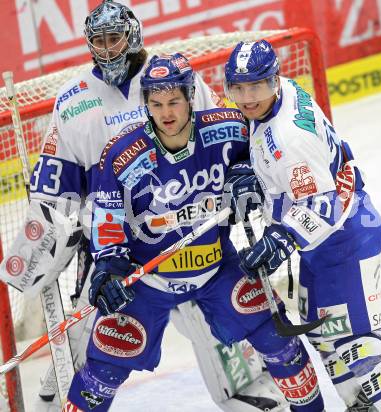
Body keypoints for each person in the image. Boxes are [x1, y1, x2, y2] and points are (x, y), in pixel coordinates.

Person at [0, 2, 287, 411]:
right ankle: (53, 403)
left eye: (114, 38)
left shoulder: (175, 77)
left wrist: (244, 171)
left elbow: (224, 136)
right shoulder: (73, 101)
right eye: (98, 40)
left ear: (133, 35)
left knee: (217, 325)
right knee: (94, 345)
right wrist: (44, 244)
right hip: (119, 250)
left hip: (192, 230)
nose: (107, 48)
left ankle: (251, 395)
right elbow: (56, 188)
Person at [63, 53, 327, 412]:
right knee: (102, 373)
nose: (166, 112)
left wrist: (247, 170)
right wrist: (109, 267)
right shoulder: (121, 155)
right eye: (155, 104)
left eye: (174, 101)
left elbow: (265, 149)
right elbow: (107, 221)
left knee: (277, 340)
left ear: (190, 97)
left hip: (216, 267)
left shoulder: (229, 127)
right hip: (149, 280)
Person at [223, 39, 381, 412]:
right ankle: (361, 406)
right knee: (324, 336)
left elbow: (323, 203)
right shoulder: (283, 96)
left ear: (273, 80)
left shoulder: (289, 138)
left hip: (344, 240)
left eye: (255, 87)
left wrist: (283, 236)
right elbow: (315, 174)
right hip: (325, 244)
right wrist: (257, 177)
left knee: (354, 343)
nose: (247, 97)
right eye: (238, 88)